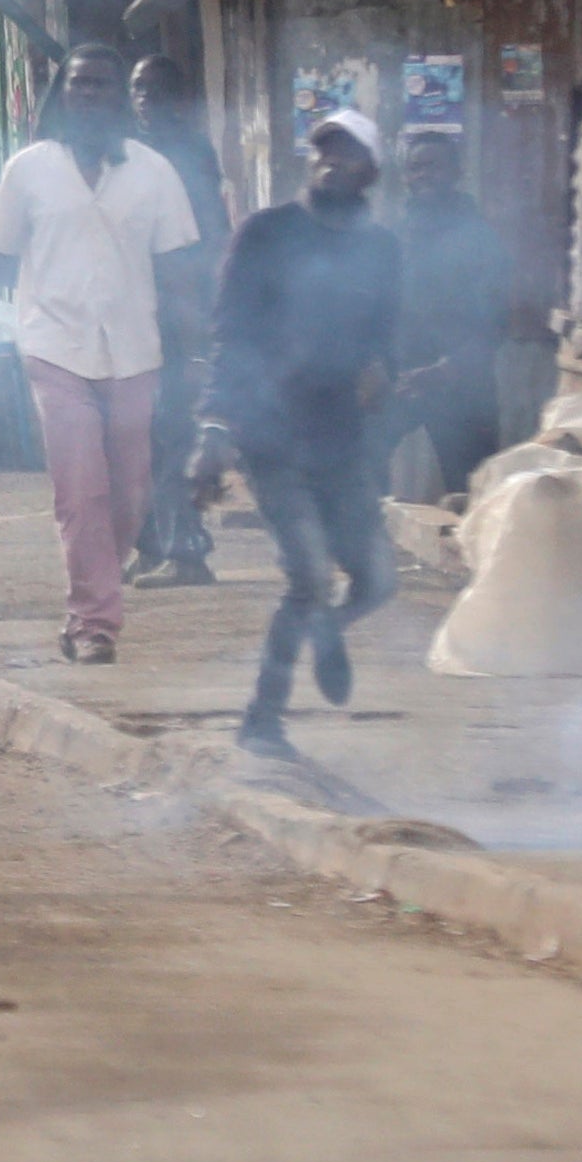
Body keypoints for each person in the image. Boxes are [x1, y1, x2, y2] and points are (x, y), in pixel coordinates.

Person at [0, 41, 202, 664]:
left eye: (102, 85)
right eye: (79, 86)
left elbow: (180, 271)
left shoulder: (153, 172)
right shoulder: (29, 169)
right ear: (63, 96)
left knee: (130, 494)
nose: (89, 96)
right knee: (81, 492)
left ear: (118, 100)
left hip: (136, 350)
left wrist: (201, 353)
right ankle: (92, 624)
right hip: (54, 349)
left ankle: (97, 588)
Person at [191, 109, 408, 754]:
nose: (330, 161)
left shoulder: (382, 249)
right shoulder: (265, 233)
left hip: (339, 434)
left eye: (346, 152)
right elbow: (229, 334)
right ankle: (263, 719)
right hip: (270, 432)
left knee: (378, 582)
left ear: (371, 171)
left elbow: (384, 336)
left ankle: (328, 632)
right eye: (322, 150)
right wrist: (213, 428)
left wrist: (384, 374)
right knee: (310, 577)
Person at [123, 52, 233, 587]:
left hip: (177, 309)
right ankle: (151, 542)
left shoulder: (189, 153)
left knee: (169, 430)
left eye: (156, 89)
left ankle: (186, 549)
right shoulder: (126, 153)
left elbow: (209, 234)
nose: (146, 99)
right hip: (133, 310)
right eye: (138, 90)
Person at [390, 126, 524, 499]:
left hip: (462, 384)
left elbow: (495, 322)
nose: (424, 175)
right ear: (405, 176)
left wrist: (447, 369)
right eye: (416, 168)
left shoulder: (481, 241)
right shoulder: (395, 237)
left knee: (475, 491)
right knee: (358, 463)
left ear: (456, 172)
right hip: (401, 379)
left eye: (435, 166)